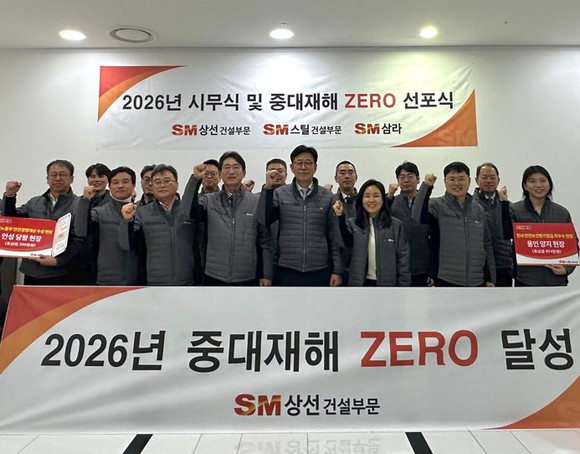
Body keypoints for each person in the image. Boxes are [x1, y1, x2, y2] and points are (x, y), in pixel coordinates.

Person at [182, 152, 273, 286]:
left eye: (236, 167)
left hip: (247, 276)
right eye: (226, 167)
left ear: (244, 173)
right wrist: (195, 179)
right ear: (220, 173)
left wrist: (267, 275)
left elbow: (265, 241)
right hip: (214, 275)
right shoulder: (208, 200)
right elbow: (186, 211)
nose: (231, 171)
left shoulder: (256, 201)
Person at [258, 145, 342, 286]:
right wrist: (267, 188)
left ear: (315, 167)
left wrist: (337, 270)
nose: (303, 167)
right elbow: (264, 219)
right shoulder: (280, 194)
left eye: (308, 163)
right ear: (292, 167)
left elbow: (334, 236)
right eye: (299, 163)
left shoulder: (328, 197)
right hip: (287, 268)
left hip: (319, 269)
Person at [3, 159, 81, 285]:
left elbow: (79, 240)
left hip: (61, 271)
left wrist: (58, 261)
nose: (57, 178)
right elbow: (11, 221)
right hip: (32, 271)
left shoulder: (79, 205)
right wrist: (10, 196)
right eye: (53, 174)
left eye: (62, 174)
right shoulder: (34, 202)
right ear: (47, 179)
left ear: (71, 179)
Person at [119, 164, 195, 286]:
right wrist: (126, 221)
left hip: (188, 283)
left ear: (177, 185)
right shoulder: (141, 212)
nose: (162, 185)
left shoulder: (189, 210)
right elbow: (126, 244)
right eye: (157, 182)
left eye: (167, 181)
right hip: (154, 283)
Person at [428, 161, 495, 287]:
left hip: (477, 280)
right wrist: (426, 187)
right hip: (447, 279)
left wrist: (490, 278)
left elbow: (486, 244)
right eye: (452, 179)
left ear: (469, 181)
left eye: (461, 179)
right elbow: (417, 215)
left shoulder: (478, 209)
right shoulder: (436, 205)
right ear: (445, 181)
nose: (457, 183)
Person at [333, 179, 411, 286]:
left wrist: (404, 286)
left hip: (387, 285)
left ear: (383, 200)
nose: (371, 200)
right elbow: (344, 243)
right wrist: (340, 216)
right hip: (359, 284)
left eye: (376, 196)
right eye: (367, 196)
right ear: (361, 200)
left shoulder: (396, 226)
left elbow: (403, 259)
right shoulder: (353, 224)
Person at [510, 165, 577, 286]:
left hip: (556, 280)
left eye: (543, 180)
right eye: (532, 181)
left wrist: (566, 269)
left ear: (549, 184)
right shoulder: (514, 210)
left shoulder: (562, 213)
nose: (538, 185)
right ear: (525, 186)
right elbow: (505, 240)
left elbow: (573, 244)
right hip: (525, 280)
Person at [75, 166, 141, 285]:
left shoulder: (142, 212)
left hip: (138, 280)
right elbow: (80, 230)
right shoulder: (99, 212)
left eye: (125, 182)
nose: (120, 186)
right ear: (109, 186)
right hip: (106, 278)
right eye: (115, 182)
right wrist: (85, 201)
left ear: (134, 185)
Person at [387, 161, 436, 287]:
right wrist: (389, 196)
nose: (406, 180)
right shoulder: (391, 202)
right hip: (398, 266)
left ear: (418, 179)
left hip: (423, 266)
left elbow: (436, 239)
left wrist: (433, 270)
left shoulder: (429, 204)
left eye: (410, 176)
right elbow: (382, 219)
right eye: (402, 177)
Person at [473, 162, 513, 287]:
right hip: (480, 265)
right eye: (484, 177)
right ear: (476, 180)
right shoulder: (470, 205)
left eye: (492, 177)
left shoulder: (507, 205)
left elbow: (511, 233)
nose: (489, 181)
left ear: (498, 180)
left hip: (504, 264)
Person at [332, 161, 358, 285]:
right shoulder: (330, 201)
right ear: (336, 178)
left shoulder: (364, 202)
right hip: (336, 263)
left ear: (356, 177)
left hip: (360, 262)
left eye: (350, 172)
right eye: (342, 173)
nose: (347, 176)